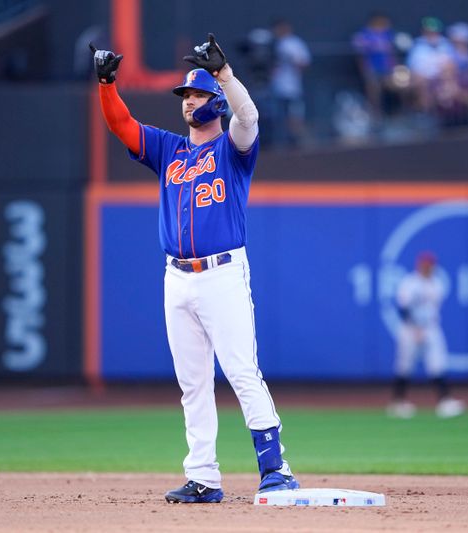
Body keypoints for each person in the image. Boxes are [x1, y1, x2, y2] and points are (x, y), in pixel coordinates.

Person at [90, 33, 299, 504]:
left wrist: (225, 74)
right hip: (176, 277)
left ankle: (275, 467)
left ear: (216, 99)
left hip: (223, 272)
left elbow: (250, 117)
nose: (189, 102)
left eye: (198, 94)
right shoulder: (168, 150)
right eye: (185, 95)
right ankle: (203, 476)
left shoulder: (233, 149)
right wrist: (106, 85)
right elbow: (122, 126)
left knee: (243, 371)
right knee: (192, 384)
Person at [386, 252, 465, 419]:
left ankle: (444, 402)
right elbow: (403, 309)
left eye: (430, 265)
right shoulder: (410, 283)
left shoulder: (437, 283)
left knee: (438, 363)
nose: (428, 267)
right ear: (419, 265)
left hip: (430, 327)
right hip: (410, 329)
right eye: (425, 265)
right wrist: (415, 328)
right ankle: (398, 403)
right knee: (404, 365)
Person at [352, 12, 400, 123]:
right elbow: (359, 53)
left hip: (389, 69)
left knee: (398, 88)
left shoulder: (388, 34)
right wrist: (364, 68)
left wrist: (395, 66)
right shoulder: (363, 34)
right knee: (374, 92)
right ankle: (376, 116)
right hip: (372, 68)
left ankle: (398, 114)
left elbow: (393, 51)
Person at [270, 19, 311, 147]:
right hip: (275, 87)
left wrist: (290, 60)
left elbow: (303, 63)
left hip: (292, 87)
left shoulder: (295, 43)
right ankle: (279, 142)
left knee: (294, 115)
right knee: (276, 116)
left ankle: (299, 141)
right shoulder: (274, 44)